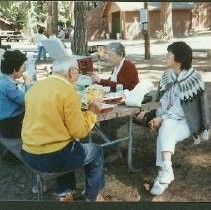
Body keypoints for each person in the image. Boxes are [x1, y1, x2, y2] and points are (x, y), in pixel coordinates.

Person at [21, 55, 105, 201]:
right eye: (78, 72)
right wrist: (92, 112)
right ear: (72, 71)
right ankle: (92, 197)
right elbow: (79, 131)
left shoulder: (36, 87)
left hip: (28, 152)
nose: (78, 75)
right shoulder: (68, 91)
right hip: (51, 157)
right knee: (96, 151)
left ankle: (64, 192)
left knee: (68, 145)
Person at [148, 42, 210, 196]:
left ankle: (163, 171)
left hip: (188, 122)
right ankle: (166, 170)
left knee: (166, 125)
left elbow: (184, 110)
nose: (165, 56)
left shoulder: (194, 78)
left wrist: (161, 118)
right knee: (166, 126)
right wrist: (157, 117)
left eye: (169, 53)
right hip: (169, 122)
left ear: (179, 57)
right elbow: (161, 102)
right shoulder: (166, 76)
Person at [0, 50, 31, 138]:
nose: (23, 70)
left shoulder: (3, 80)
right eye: (22, 67)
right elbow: (27, 101)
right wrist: (27, 84)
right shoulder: (8, 85)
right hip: (11, 126)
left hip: (5, 122)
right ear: (14, 69)